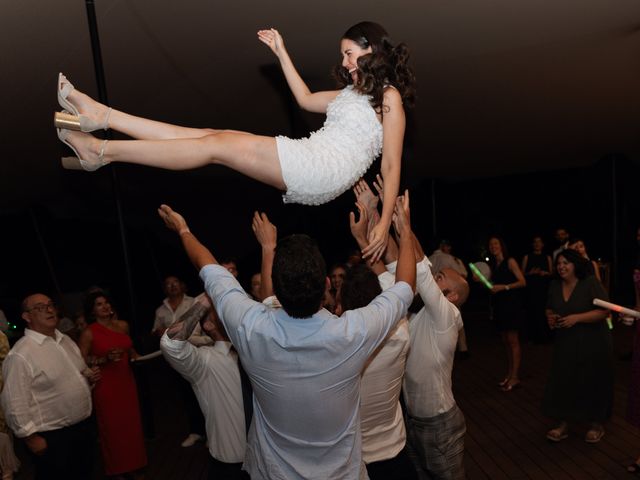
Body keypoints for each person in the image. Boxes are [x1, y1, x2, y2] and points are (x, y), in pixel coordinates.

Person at [54, 21, 415, 262]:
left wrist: (383, 223)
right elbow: (304, 99)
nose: (345, 61)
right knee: (208, 138)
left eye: (349, 53)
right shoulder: (350, 94)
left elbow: (391, 164)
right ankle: (100, 120)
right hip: (312, 158)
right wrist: (281, 52)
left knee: (214, 146)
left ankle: (101, 150)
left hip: (320, 168)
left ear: (372, 52)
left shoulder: (388, 98)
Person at [156, 193, 416, 480]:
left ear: (278, 292)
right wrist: (404, 233)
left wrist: (183, 230)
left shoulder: (251, 326)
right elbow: (404, 287)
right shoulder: (352, 332)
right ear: (327, 284)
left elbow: (208, 267)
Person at [354, 178, 469, 479]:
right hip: (411, 420)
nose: (435, 276)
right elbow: (389, 269)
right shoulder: (414, 317)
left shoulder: (449, 317)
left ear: (453, 296)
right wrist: (374, 218)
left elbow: (419, 269)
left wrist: (402, 224)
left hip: (440, 423)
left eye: (442, 277)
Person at [1, 294, 98, 480]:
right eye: (39, 307)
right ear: (27, 317)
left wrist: (88, 381)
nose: (49, 309)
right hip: (52, 439)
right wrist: (30, 438)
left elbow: (75, 376)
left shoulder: (66, 341)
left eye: (50, 305)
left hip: (83, 429)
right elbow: (13, 402)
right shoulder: (21, 354)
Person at [161, 295, 249, 479]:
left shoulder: (251, 354)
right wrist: (209, 298)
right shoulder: (205, 361)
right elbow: (171, 344)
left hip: (266, 462)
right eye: (222, 311)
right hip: (232, 467)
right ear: (208, 325)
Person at [543, 249, 612, 443]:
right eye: (559, 263)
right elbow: (549, 308)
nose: (561, 267)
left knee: (591, 380)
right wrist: (550, 317)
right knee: (564, 380)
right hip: (566, 342)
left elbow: (605, 312)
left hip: (593, 341)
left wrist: (577, 318)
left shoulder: (589, 283)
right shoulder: (555, 285)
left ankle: (596, 424)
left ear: (575, 265)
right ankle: (564, 423)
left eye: (566, 263)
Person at [78, 290, 147, 479]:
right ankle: (116, 470)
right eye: (99, 304)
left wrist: (140, 357)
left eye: (107, 302)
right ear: (92, 311)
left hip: (126, 381)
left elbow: (130, 350)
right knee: (112, 429)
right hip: (106, 386)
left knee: (132, 426)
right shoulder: (89, 332)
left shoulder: (123, 325)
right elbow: (79, 361)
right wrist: (102, 359)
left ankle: (134, 465)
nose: (105, 306)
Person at [488, 236, 526, 391]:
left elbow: (523, 282)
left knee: (513, 341)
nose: (493, 246)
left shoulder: (510, 261)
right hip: (500, 306)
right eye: (491, 245)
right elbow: (493, 287)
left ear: (501, 246)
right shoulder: (494, 265)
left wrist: (504, 287)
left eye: (496, 243)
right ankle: (510, 374)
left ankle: (515, 377)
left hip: (512, 305)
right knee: (505, 341)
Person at [521, 235, 553, 343]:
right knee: (532, 312)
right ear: (532, 244)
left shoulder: (547, 257)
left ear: (543, 244)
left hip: (543, 289)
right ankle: (531, 337)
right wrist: (531, 273)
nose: (537, 244)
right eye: (535, 242)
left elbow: (552, 274)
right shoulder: (527, 257)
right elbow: (521, 274)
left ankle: (543, 337)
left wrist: (545, 273)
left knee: (543, 311)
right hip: (531, 289)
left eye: (539, 242)